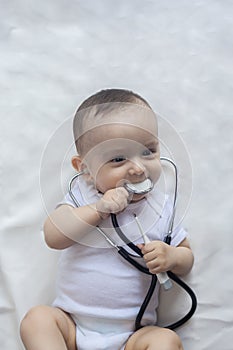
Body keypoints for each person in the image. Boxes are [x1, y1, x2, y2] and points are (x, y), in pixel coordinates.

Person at [20, 89, 194, 350]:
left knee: (166, 341)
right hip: (72, 327)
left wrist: (171, 257)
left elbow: (187, 258)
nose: (138, 168)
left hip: (133, 336)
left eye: (148, 151)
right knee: (36, 320)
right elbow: (52, 236)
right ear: (85, 170)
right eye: (118, 158)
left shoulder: (160, 207)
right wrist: (98, 210)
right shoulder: (82, 197)